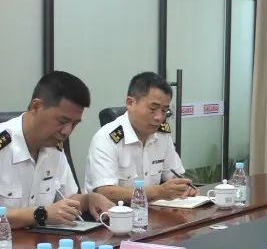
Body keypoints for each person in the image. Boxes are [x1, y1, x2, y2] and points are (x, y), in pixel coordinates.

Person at [0, 71, 111, 240]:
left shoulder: (54, 148)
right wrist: (41, 214)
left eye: (74, 124)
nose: (67, 131)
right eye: (62, 121)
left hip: (30, 246)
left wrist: (90, 199)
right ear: (36, 107)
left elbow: (67, 199)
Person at [84, 72, 197, 203]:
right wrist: (159, 192)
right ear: (130, 103)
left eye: (164, 110)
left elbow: (173, 175)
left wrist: (183, 187)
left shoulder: (162, 135)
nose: (159, 117)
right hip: (115, 213)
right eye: (153, 108)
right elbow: (105, 192)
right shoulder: (106, 138)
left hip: (153, 211)